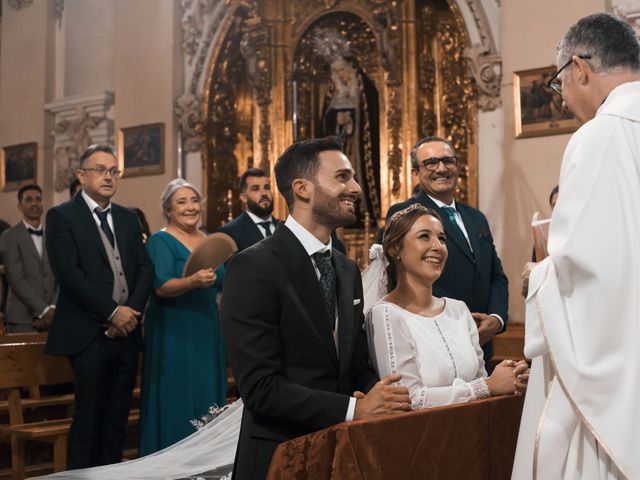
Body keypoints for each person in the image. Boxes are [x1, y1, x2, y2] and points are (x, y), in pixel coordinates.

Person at [221, 137, 411, 480]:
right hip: (278, 454)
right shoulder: (253, 267)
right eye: (342, 177)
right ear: (302, 188)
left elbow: (352, 365)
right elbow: (261, 389)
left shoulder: (346, 268)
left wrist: (387, 395)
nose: (354, 187)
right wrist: (357, 408)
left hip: (339, 453)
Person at [514, 13, 640, 479]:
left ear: (580, 69)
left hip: (618, 368)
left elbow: (587, 271)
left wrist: (540, 274)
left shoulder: (599, 136)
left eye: (559, 85)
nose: (563, 100)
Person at [45, 144, 153, 469]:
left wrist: (130, 312)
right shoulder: (62, 216)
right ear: (81, 176)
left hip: (127, 331)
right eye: (100, 170)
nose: (108, 177)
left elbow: (144, 269)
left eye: (113, 171)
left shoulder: (128, 218)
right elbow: (70, 274)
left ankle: (112, 475)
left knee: (118, 413)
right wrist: (111, 312)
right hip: (88, 332)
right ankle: (80, 477)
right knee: (90, 413)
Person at [364, 204, 528, 408]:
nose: (437, 246)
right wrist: (487, 387)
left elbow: (482, 381)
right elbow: (410, 399)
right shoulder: (385, 314)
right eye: (424, 236)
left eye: (441, 238)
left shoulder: (458, 310)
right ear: (394, 248)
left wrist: (510, 376)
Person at [385, 136, 508, 366]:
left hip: (482, 343)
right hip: (434, 340)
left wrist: (496, 319)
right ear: (415, 174)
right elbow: (398, 275)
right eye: (431, 162)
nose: (441, 168)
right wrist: (452, 321)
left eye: (448, 161)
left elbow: (496, 276)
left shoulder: (476, 218)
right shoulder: (405, 214)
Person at [139, 178, 227, 456]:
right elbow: (161, 286)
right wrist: (192, 282)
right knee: (177, 392)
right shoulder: (160, 241)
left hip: (207, 326)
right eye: (182, 202)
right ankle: (172, 457)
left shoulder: (210, 239)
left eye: (194, 201)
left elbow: (224, 279)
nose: (191, 207)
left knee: (206, 390)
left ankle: (205, 460)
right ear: (168, 209)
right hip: (174, 328)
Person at [0, 184, 57, 333]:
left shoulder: (54, 236)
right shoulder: (9, 236)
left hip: (54, 318)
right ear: (20, 206)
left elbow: (62, 275)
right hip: (22, 319)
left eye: (38, 199)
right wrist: (44, 310)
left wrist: (53, 307)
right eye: (29, 200)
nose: (34, 203)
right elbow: (16, 279)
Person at [217, 168, 281, 251]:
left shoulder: (285, 227)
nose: (264, 193)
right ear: (244, 197)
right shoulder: (229, 233)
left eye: (267, 187)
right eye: (255, 189)